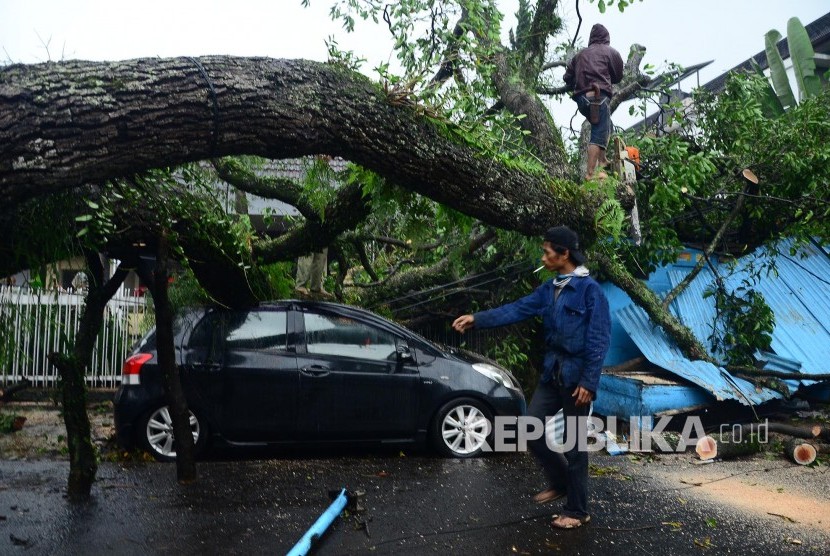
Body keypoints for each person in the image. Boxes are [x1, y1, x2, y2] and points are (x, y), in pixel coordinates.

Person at [452, 226, 611, 530]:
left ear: (564, 254)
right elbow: (517, 309)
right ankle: (562, 482)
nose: (543, 256)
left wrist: (589, 383)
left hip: (577, 377)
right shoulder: (549, 289)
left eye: (547, 251)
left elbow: (600, 339)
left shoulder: (591, 292)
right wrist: (477, 319)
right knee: (529, 426)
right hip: (553, 373)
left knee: (575, 446)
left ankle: (577, 510)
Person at [563, 23, 624, 180]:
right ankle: (590, 173)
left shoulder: (579, 55)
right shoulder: (610, 52)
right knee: (598, 134)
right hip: (598, 97)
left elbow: (567, 78)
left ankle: (602, 160)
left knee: (606, 126)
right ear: (606, 38)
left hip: (582, 100)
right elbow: (618, 76)